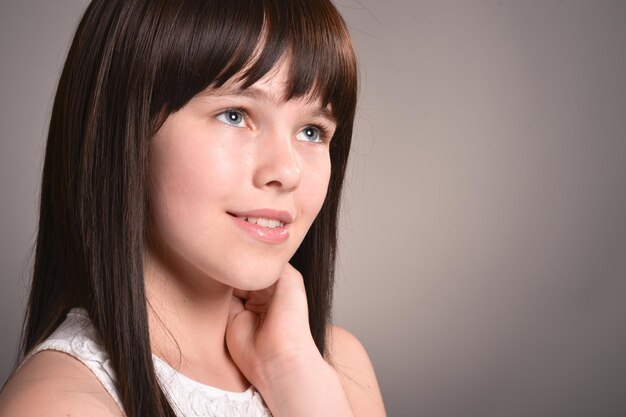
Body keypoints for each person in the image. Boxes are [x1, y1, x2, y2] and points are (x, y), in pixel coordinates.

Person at [0, 0, 385, 416]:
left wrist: (297, 380)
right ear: (124, 129)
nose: (287, 171)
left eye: (312, 130)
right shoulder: (60, 406)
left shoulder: (336, 367)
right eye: (235, 115)